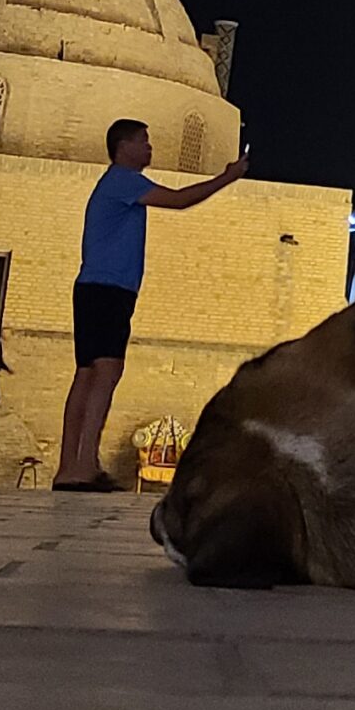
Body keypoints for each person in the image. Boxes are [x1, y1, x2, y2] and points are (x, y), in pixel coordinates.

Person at [56, 118, 249, 490]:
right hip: (109, 290)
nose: (150, 148)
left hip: (94, 288)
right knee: (106, 372)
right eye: (144, 141)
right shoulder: (124, 181)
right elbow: (179, 200)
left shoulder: (115, 184)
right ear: (123, 146)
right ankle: (84, 466)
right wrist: (229, 176)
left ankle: (70, 466)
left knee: (86, 374)